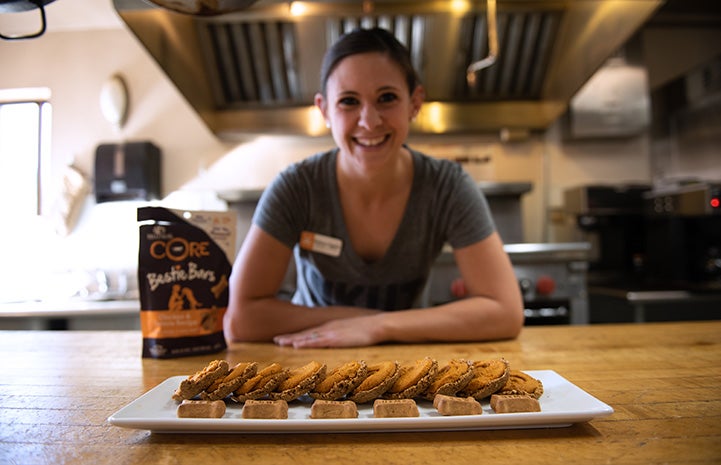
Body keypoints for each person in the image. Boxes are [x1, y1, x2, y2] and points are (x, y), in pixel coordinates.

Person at [223, 27, 524, 348]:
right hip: (307, 359)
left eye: (387, 98)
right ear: (324, 110)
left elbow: (505, 311)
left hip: (407, 362)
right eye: (349, 101)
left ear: (415, 103)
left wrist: (379, 326)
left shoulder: (448, 187)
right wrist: (361, 322)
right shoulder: (296, 187)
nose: (369, 121)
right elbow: (241, 318)